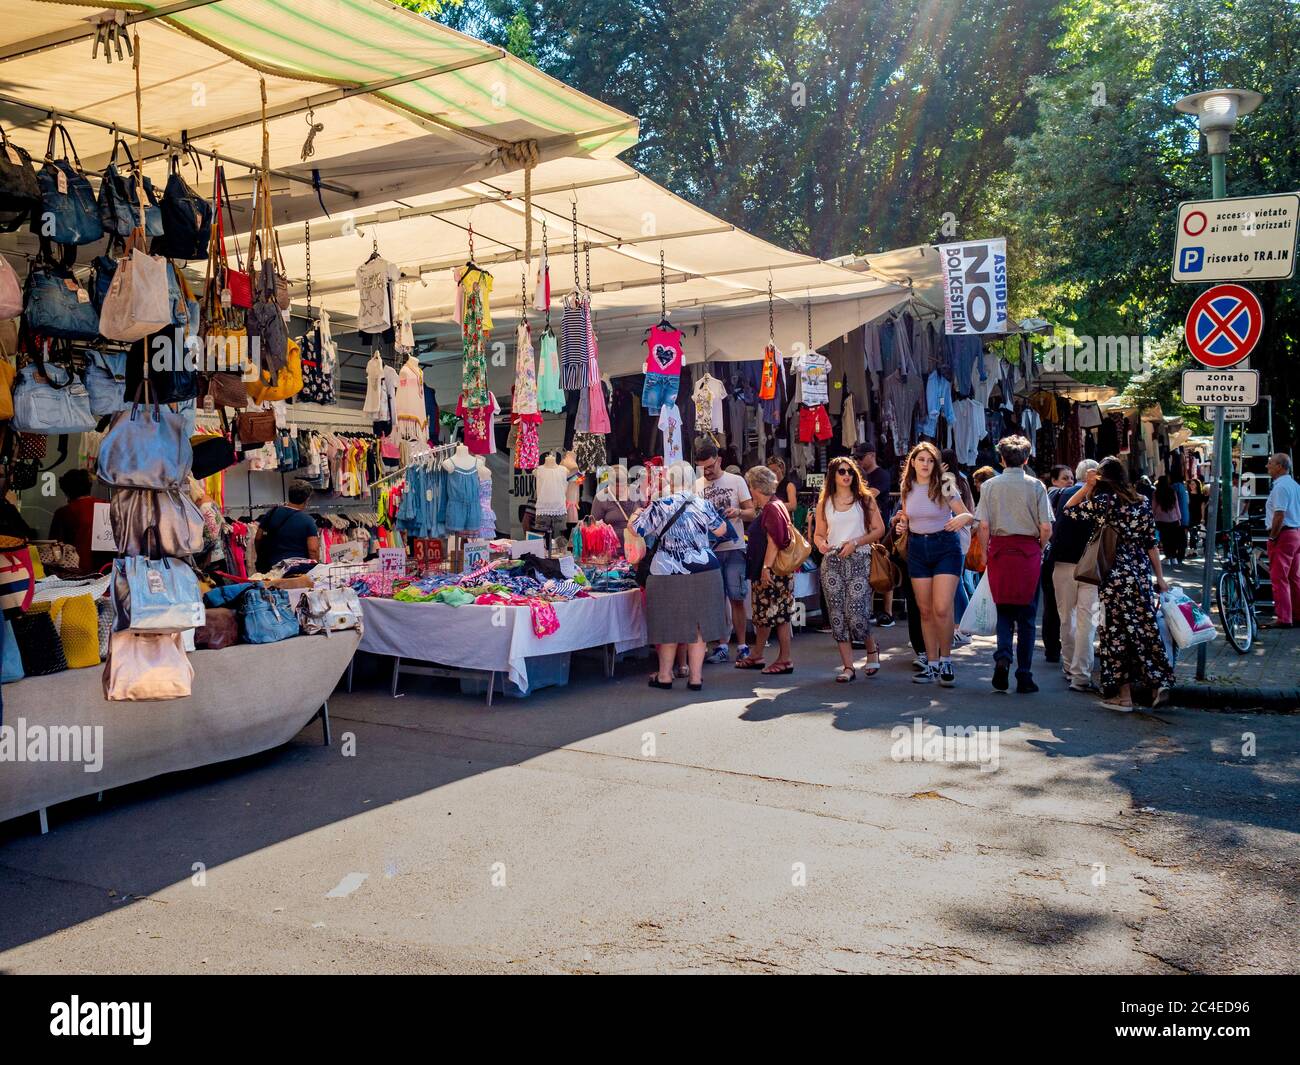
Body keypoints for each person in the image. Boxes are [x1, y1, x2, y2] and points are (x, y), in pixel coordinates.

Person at [1064, 458, 1172, 710]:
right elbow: (1151, 544)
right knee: (1145, 630)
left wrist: (1087, 486)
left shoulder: (1105, 502)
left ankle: (1123, 697)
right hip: (1139, 577)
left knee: (1114, 635)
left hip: (1113, 578)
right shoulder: (1142, 503)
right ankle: (1158, 683)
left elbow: (1069, 511)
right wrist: (1160, 577)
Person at [631, 479, 730, 691]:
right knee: (700, 626)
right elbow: (722, 531)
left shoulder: (660, 504)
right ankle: (695, 678)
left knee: (668, 624)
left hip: (667, 571)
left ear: (670, 482)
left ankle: (665, 676)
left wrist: (636, 514)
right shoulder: (703, 503)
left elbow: (636, 529)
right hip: (705, 569)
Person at [975, 435, 1054, 694]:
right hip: (1027, 551)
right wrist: (1039, 548)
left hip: (999, 549)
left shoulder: (989, 486)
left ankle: (1003, 657)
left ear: (1001, 458)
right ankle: (1024, 674)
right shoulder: (1036, 486)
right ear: (1027, 459)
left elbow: (983, 525)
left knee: (1004, 612)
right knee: (1028, 617)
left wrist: (986, 554)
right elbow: (1046, 527)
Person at [893, 441, 973, 686]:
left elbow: (967, 514)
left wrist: (960, 520)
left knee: (941, 608)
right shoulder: (907, 486)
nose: (926, 464)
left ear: (936, 463)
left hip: (945, 546)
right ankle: (932, 664)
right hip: (917, 548)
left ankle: (946, 660)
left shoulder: (946, 483)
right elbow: (907, 515)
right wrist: (902, 523)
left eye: (930, 460)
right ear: (913, 463)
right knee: (924, 610)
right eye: (921, 460)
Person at [813, 456, 885, 681]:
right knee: (836, 616)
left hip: (859, 559)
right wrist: (821, 544)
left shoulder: (865, 500)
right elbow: (818, 533)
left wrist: (856, 542)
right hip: (832, 561)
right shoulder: (825, 502)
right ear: (833, 475)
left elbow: (879, 529)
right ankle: (848, 667)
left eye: (850, 472)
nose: (846, 475)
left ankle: (872, 650)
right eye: (842, 471)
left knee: (857, 612)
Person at [695, 438, 755, 663]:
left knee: (737, 596)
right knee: (717, 599)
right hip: (710, 550)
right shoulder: (697, 486)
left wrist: (737, 512)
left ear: (719, 460)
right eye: (703, 468)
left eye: (711, 466)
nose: (708, 472)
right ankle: (721, 644)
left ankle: (742, 645)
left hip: (735, 547)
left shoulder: (736, 480)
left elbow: (753, 512)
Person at [736, 465, 796, 675]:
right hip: (776, 572)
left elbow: (773, 542)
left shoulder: (771, 508)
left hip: (772, 572)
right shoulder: (775, 505)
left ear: (755, 487)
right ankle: (758, 654)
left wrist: (765, 568)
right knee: (769, 615)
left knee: (776, 616)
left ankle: (784, 659)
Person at [1049, 459, 1100, 691]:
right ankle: (1081, 674)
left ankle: (1069, 666)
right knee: (1086, 621)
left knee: (1066, 617)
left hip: (1063, 562)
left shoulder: (1061, 494)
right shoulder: (1102, 496)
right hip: (1091, 566)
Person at [853, 443, 896, 627]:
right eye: (857, 458)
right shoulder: (859, 475)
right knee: (867, 571)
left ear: (872, 455)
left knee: (884, 569)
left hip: (881, 529)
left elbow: (869, 495)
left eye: (861, 457)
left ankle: (888, 612)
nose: (859, 461)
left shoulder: (881, 475)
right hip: (864, 530)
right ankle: (868, 610)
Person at [1038, 464, 1075, 664]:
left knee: (1052, 605)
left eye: (1071, 478)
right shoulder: (1055, 496)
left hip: (1051, 556)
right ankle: (1054, 648)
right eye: (1065, 478)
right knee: (1054, 604)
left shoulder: (1053, 496)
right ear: (1053, 481)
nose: (1070, 482)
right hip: (1053, 556)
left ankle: (1053, 649)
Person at [940, 448, 977, 646]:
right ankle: (959, 628)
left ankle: (963, 629)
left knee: (956, 585)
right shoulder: (959, 478)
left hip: (955, 535)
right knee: (956, 584)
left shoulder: (948, 481)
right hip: (958, 535)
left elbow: (963, 512)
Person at [47, 469, 108, 575]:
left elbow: (55, 547)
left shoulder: (63, 512)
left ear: (67, 491)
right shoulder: (106, 506)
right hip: (106, 570)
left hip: (74, 572)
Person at [1264, 452, 1300, 629]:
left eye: (1270, 463)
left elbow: (1279, 514)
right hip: (1294, 533)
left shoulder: (1280, 487)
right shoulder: (1293, 485)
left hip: (1283, 535)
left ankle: (1284, 617)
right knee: (1294, 577)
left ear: (1279, 466)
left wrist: (1273, 536)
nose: (1267, 466)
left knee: (1279, 578)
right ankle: (1297, 614)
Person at [255, 481, 321, 571]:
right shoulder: (308, 521)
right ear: (307, 500)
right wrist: (315, 569)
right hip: (297, 569)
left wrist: (262, 555)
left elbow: (258, 538)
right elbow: (313, 550)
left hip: (270, 567)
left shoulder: (272, 513)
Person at [188, 476, 226, 574]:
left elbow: (211, 538)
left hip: (211, 560)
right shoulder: (206, 502)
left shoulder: (204, 507)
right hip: (214, 556)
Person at [1151, 475, 1186, 566]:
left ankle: (1167, 557)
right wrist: (1179, 517)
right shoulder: (1172, 491)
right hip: (1173, 518)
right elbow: (1176, 505)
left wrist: (1152, 516)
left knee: (1165, 538)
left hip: (1160, 519)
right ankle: (1174, 557)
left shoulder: (1156, 492)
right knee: (1173, 538)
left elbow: (1154, 506)